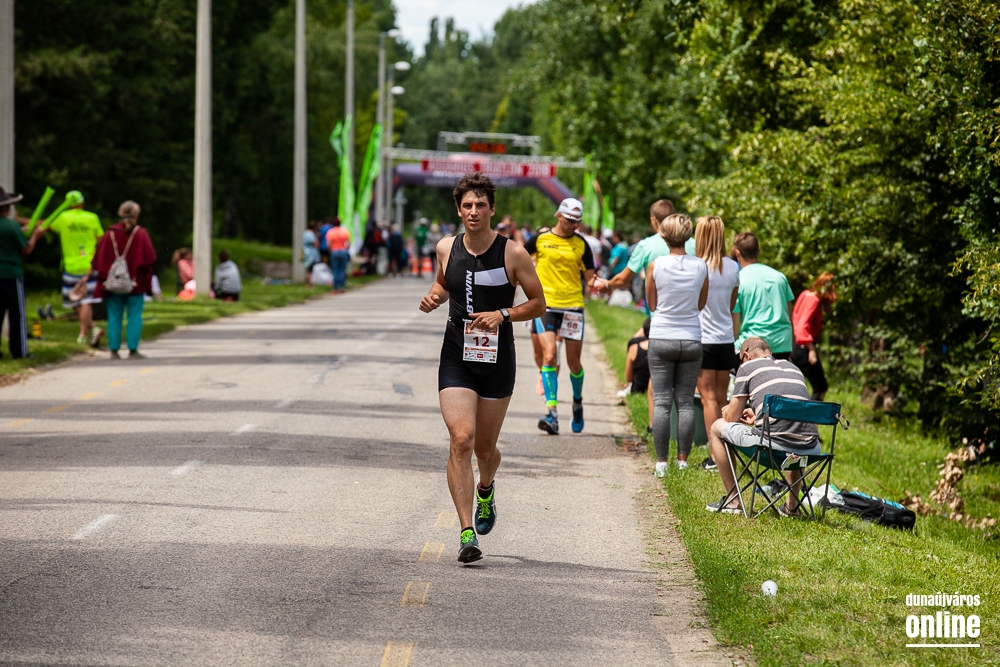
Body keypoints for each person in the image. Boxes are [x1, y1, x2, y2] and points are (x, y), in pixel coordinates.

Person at [418, 172, 545, 564]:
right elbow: (444, 284)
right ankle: (466, 531)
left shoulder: (513, 253)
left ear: (492, 210)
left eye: (480, 205)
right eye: (467, 205)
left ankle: (486, 488)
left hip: (497, 359)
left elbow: (538, 303)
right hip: (456, 354)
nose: (473, 211)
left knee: (485, 449)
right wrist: (434, 296)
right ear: (459, 210)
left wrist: (502, 314)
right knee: (462, 439)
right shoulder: (446, 247)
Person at [705, 337, 821, 516]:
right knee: (795, 432)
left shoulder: (747, 367)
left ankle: (733, 501)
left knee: (716, 427)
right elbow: (792, 410)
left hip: (771, 450)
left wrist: (729, 409)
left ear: (746, 356)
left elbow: (731, 418)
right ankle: (792, 506)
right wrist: (758, 413)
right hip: (809, 451)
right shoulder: (793, 368)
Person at [524, 199, 599, 435]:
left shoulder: (581, 244)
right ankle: (552, 413)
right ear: (558, 216)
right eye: (570, 220)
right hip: (545, 306)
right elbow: (518, 259)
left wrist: (599, 284)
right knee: (549, 355)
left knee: (574, 363)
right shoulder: (540, 239)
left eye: (577, 222)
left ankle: (577, 402)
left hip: (573, 308)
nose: (574, 225)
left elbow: (590, 277)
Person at [646, 214, 708, 475]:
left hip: (662, 335)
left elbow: (651, 304)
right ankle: (683, 460)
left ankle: (662, 463)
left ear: (663, 235)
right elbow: (701, 304)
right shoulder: (701, 266)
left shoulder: (656, 265)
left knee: (662, 402)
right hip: (691, 337)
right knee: (685, 402)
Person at [694, 216, 740, 471]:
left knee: (708, 398)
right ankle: (727, 453)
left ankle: (715, 455)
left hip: (703, 338)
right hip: (725, 339)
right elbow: (732, 305)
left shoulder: (697, 266)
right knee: (722, 397)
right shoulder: (733, 267)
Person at [91, 201, 156, 359]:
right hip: (136, 283)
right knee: (134, 316)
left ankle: (114, 349)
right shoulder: (140, 234)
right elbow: (150, 258)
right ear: (137, 215)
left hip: (112, 283)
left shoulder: (110, 234)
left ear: (120, 214)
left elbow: (99, 259)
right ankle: (133, 349)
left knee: (114, 315)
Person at [593, 199, 675, 313]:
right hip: (689, 317)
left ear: (654, 220)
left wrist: (606, 284)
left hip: (658, 314)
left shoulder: (646, 245)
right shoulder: (692, 244)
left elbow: (622, 280)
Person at [46, 190, 105, 347]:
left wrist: (21, 220)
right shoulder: (92, 218)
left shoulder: (63, 217)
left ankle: (82, 335)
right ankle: (93, 328)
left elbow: (45, 225)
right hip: (89, 265)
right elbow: (101, 240)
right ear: (82, 202)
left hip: (70, 265)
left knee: (75, 300)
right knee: (86, 300)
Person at [731, 231, 794, 360]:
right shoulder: (779, 277)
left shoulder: (738, 280)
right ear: (758, 251)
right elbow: (790, 316)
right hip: (782, 344)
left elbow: (734, 330)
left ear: (737, 253)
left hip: (752, 347)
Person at [0, 186, 45, 359]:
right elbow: (26, 249)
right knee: (17, 315)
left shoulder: (12, 227)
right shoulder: (12, 226)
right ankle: (19, 352)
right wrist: (35, 236)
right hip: (12, 274)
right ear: (7, 207)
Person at [791, 272, 836, 400]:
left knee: (815, 386)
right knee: (821, 387)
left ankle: (808, 412)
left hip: (796, 346)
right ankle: (811, 414)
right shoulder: (814, 301)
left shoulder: (805, 294)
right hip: (804, 347)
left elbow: (795, 319)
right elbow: (802, 327)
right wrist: (811, 350)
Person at [623, 318, 653, 432]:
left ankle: (652, 427)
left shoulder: (634, 347)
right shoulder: (662, 349)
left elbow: (628, 378)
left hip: (637, 388)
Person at [326, 217, 351, 293]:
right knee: (342, 270)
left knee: (335, 270)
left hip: (334, 251)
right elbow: (348, 243)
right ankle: (341, 287)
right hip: (343, 251)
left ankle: (335, 288)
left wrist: (330, 251)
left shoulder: (330, 232)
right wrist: (346, 250)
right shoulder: (345, 231)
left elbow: (329, 244)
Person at [303, 220, 320, 287]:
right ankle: (309, 284)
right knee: (310, 270)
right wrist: (317, 238)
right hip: (311, 254)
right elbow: (316, 244)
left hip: (307, 253)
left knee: (309, 269)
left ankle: (309, 284)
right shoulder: (310, 234)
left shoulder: (305, 233)